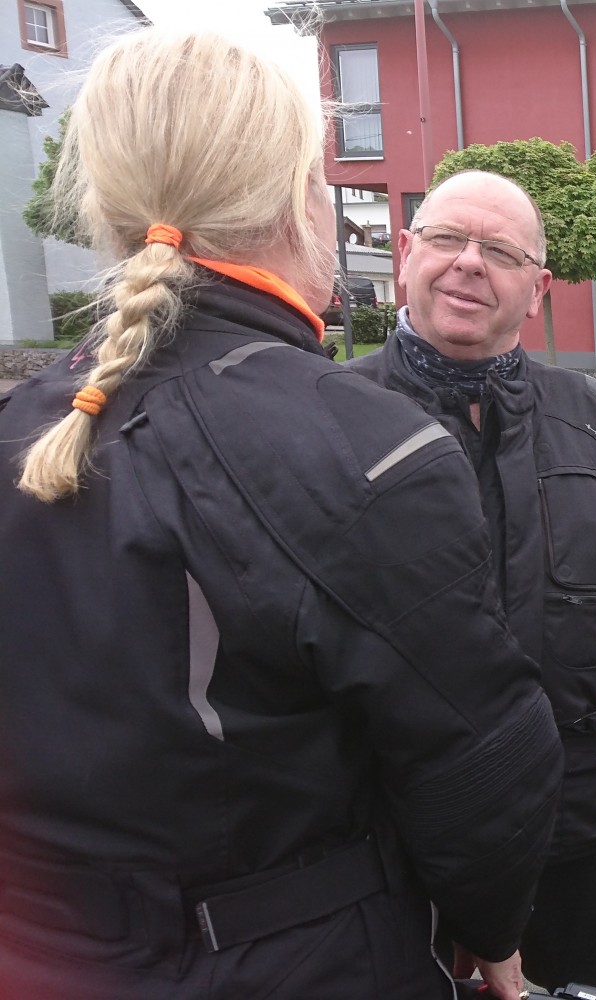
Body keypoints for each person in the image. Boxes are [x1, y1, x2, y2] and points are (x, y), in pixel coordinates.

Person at [0, 31, 561, 1000]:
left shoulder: (29, 419)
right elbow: (480, 760)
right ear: (299, 197)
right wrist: (490, 932)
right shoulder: (365, 446)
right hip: (290, 957)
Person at [348, 169, 596, 1000]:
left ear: (538, 288)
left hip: (585, 825)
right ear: (406, 253)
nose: (469, 263)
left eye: (501, 251)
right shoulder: (325, 418)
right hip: (388, 842)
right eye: (447, 238)